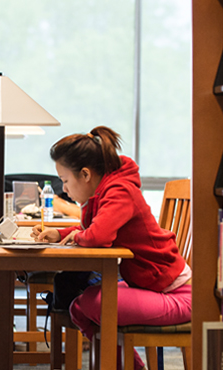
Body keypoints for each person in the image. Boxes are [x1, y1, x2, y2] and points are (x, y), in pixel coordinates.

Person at [31, 126, 192, 370]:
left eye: (65, 180)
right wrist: (61, 233)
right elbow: (91, 228)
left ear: (85, 174)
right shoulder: (105, 190)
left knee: (92, 303)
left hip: (176, 295)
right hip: (151, 286)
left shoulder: (119, 191)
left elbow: (98, 236)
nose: (64, 189)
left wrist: (77, 234)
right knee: (78, 308)